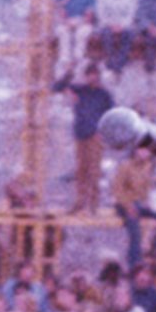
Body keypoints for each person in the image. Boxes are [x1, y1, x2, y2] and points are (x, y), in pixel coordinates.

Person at [54, 65, 114, 214]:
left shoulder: (103, 94)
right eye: (89, 75)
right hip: (80, 134)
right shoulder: (80, 90)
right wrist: (68, 73)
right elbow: (56, 87)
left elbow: (113, 114)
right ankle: (80, 202)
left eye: (94, 74)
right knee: (81, 170)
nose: (92, 78)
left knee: (94, 170)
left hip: (95, 136)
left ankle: (94, 204)